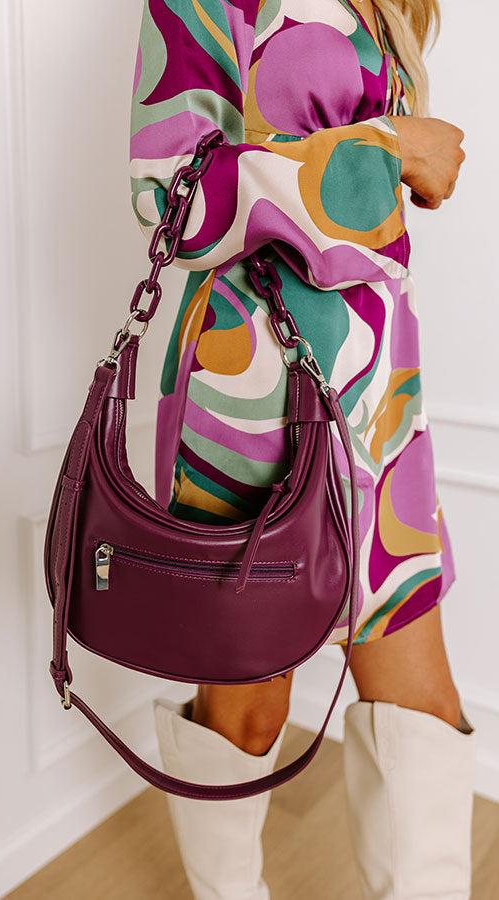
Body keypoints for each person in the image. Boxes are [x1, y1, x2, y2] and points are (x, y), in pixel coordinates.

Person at [129, 1, 473, 897]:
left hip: (380, 395)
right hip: (248, 398)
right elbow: (170, 195)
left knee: (423, 704)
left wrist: (392, 157)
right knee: (247, 714)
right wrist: (387, 148)